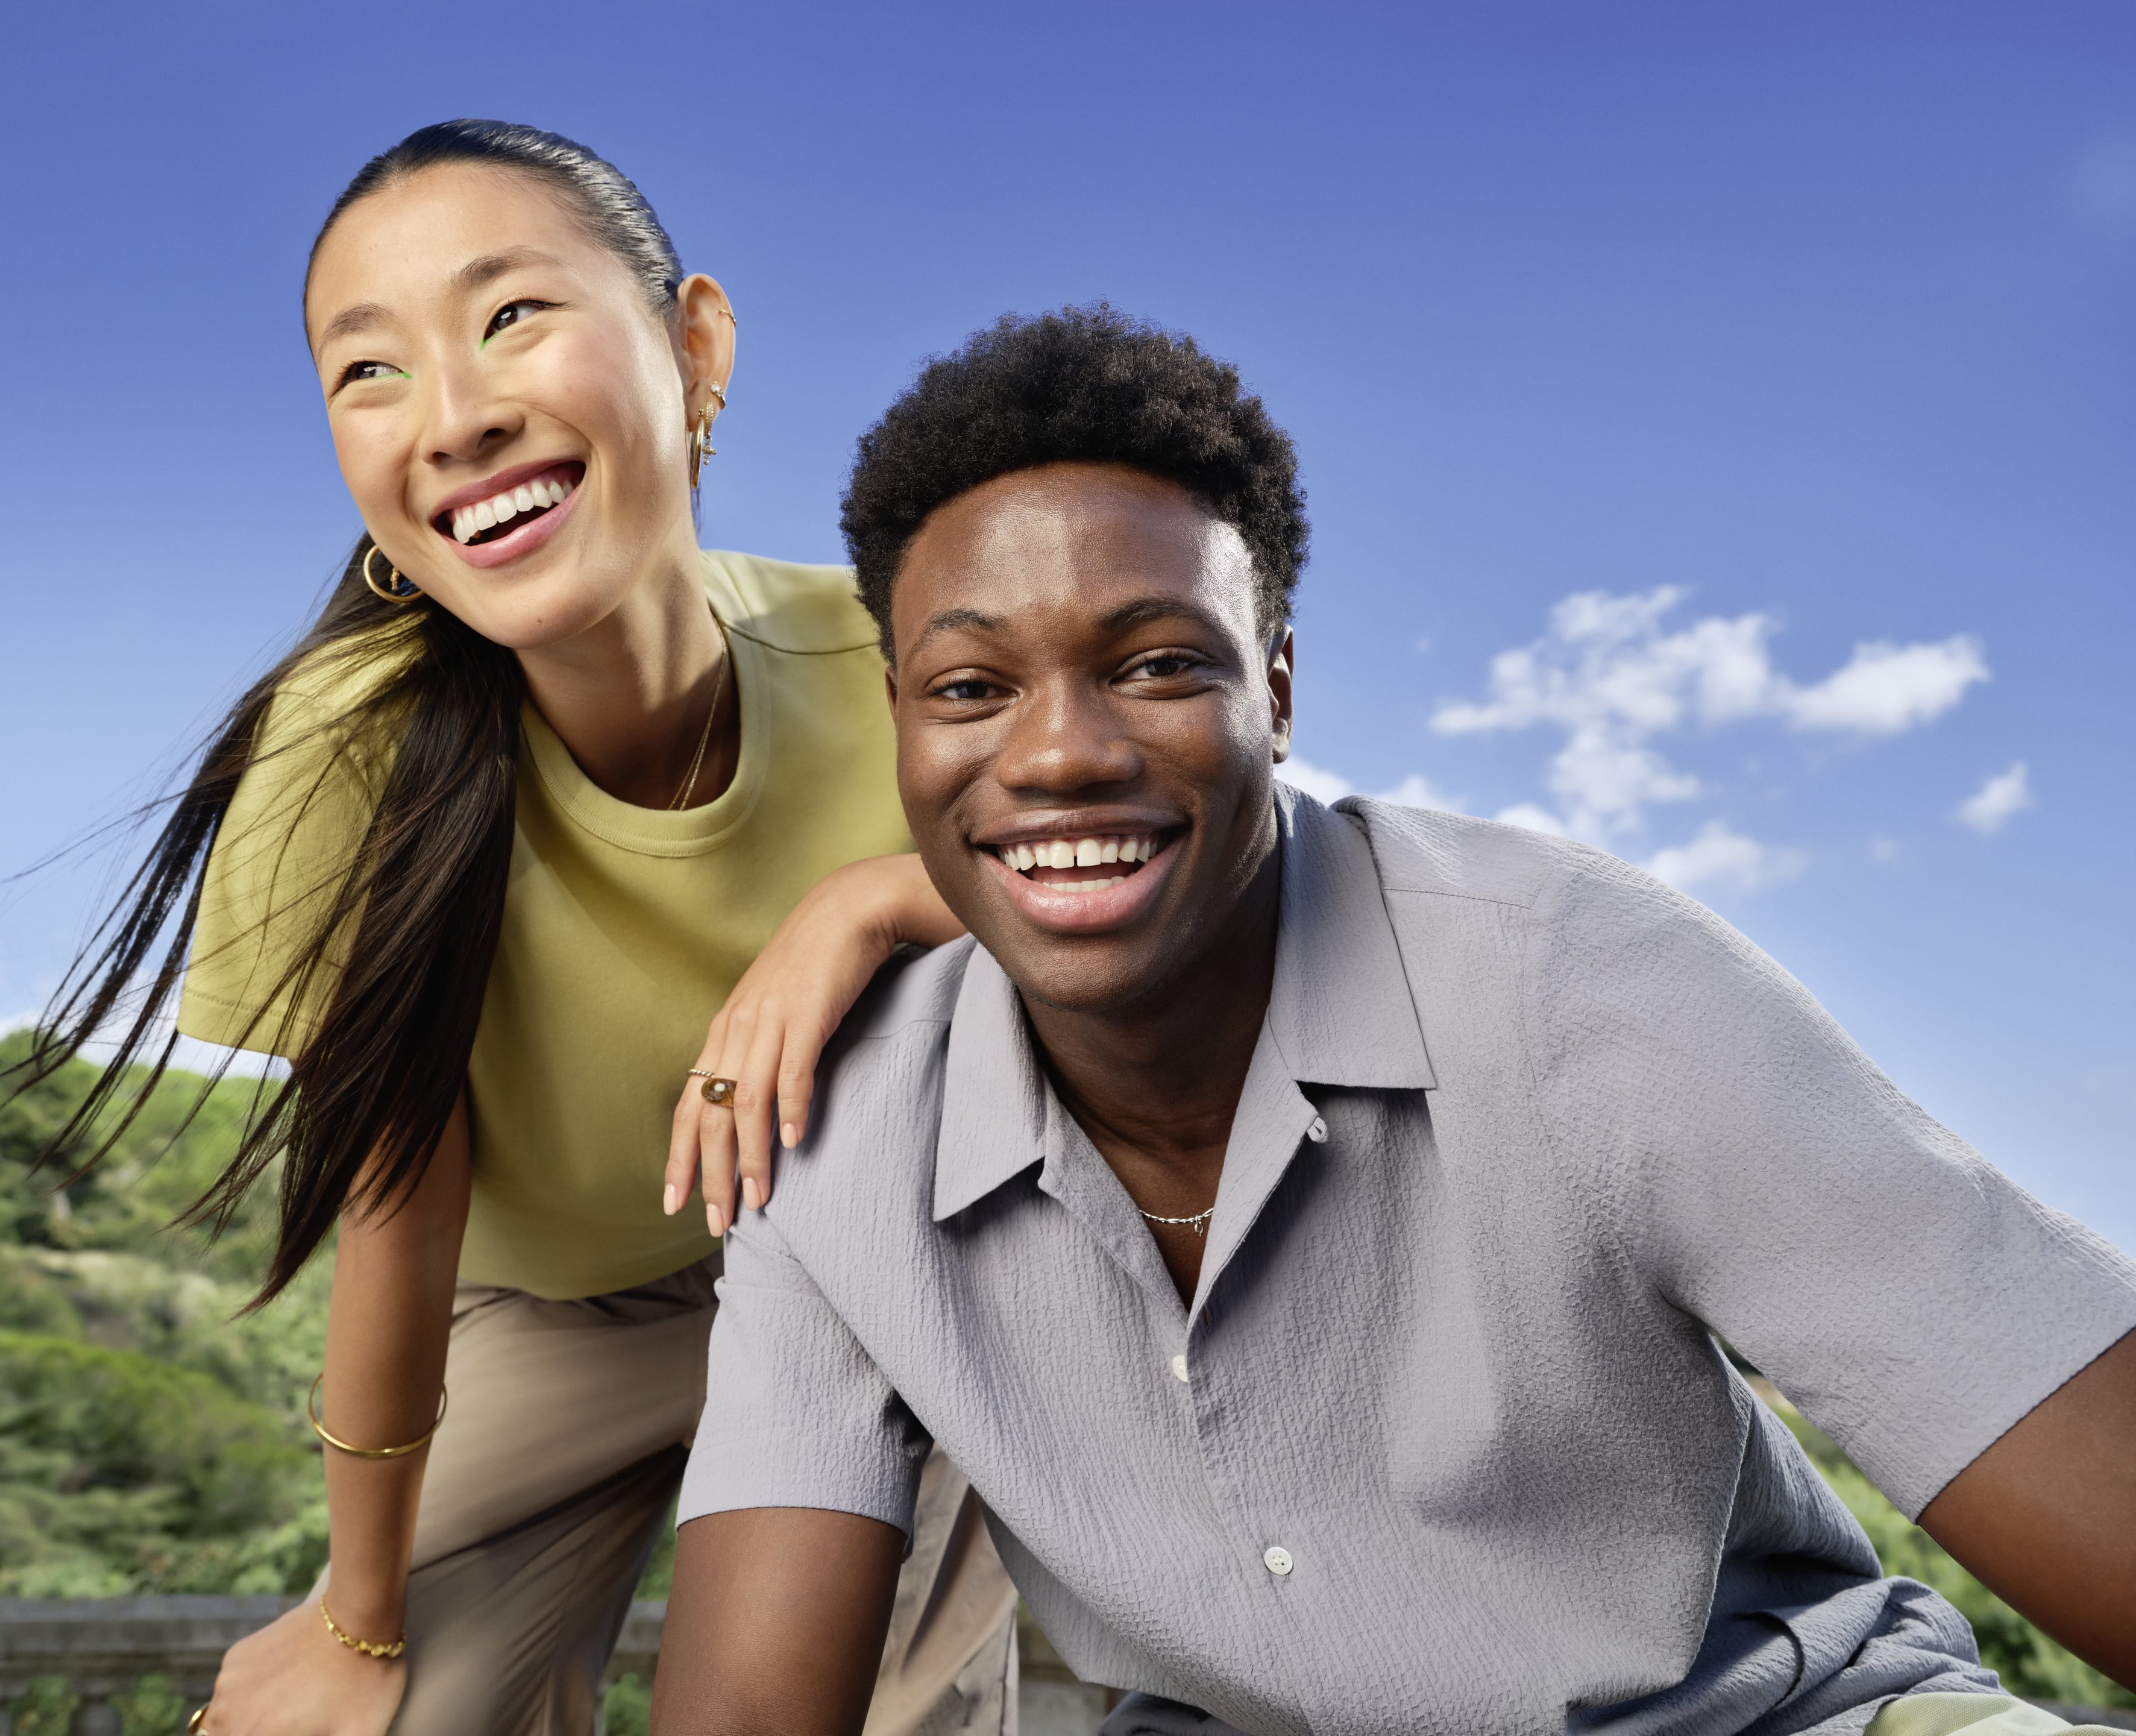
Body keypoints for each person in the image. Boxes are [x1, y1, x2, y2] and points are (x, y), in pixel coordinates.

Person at [649, 307, 2136, 1736]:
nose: (1061, 753)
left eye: (1159, 663)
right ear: (902, 722)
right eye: (972, 686)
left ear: (1278, 691)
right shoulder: (832, 1148)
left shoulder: (1577, 983)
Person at [25, 121, 1014, 1736]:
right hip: (551, 1315)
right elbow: (397, 1211)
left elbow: (1142, 885)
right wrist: (352, 1634)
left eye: (509, 319)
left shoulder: (895, 654)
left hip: (874, 1272)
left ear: (696, 348)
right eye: (370, 370)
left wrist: (868, 898)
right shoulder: (352, 743)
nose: (458, 417)